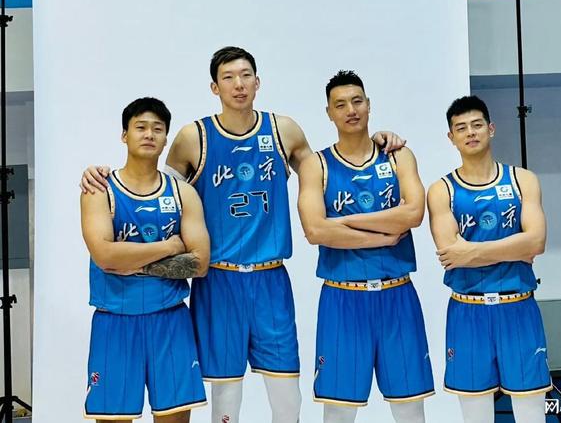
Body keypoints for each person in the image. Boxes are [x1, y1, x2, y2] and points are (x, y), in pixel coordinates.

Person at [80, 47, 405, 423]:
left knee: (288, 395)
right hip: (220, 280)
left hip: (270, 277)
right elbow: (157, 191)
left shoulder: (283, 130)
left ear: (258, 82)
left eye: (245, 75)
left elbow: (330, 170)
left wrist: (372, 140)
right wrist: (101, 174)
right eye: (229, 77)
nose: (238, 84)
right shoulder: (193, 137)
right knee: (225, 394)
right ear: (214, 87)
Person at [297, 71, 434, 423]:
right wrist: (382, 235)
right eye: (340, 104)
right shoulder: (316, 164)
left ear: (369, 105)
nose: (351, 110)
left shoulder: (398, 156)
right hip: (343, 297)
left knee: (410, 406)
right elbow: (315, 230)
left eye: (357, 101)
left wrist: (343, 222)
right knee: (339, 409)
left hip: (396, 294)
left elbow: (414, 214)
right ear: (329, 112)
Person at [80, 97, 210, 422]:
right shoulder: (99, 189)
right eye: (140, 127)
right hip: (115, 320)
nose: (149, 134)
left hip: (170, 320)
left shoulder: (182, 193)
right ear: (124, 135)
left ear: (166, 139)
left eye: (157, 128)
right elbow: (105, 255)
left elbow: (199, 263)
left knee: (175, 418)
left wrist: (130, 262)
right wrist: (169, 246)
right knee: (113, 419)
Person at [427, 95, 551, 423]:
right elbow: (450, 253)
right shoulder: (442, 190)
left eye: (477, 125)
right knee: (475, 413)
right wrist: (513, 248)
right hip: (468, 310)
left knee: (530, 410)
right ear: (451, 137)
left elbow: (536, 242)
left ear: (491, 129)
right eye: (461, 128)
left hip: (518, 307)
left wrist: (471, 251)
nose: (470, 132)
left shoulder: (522, 180)